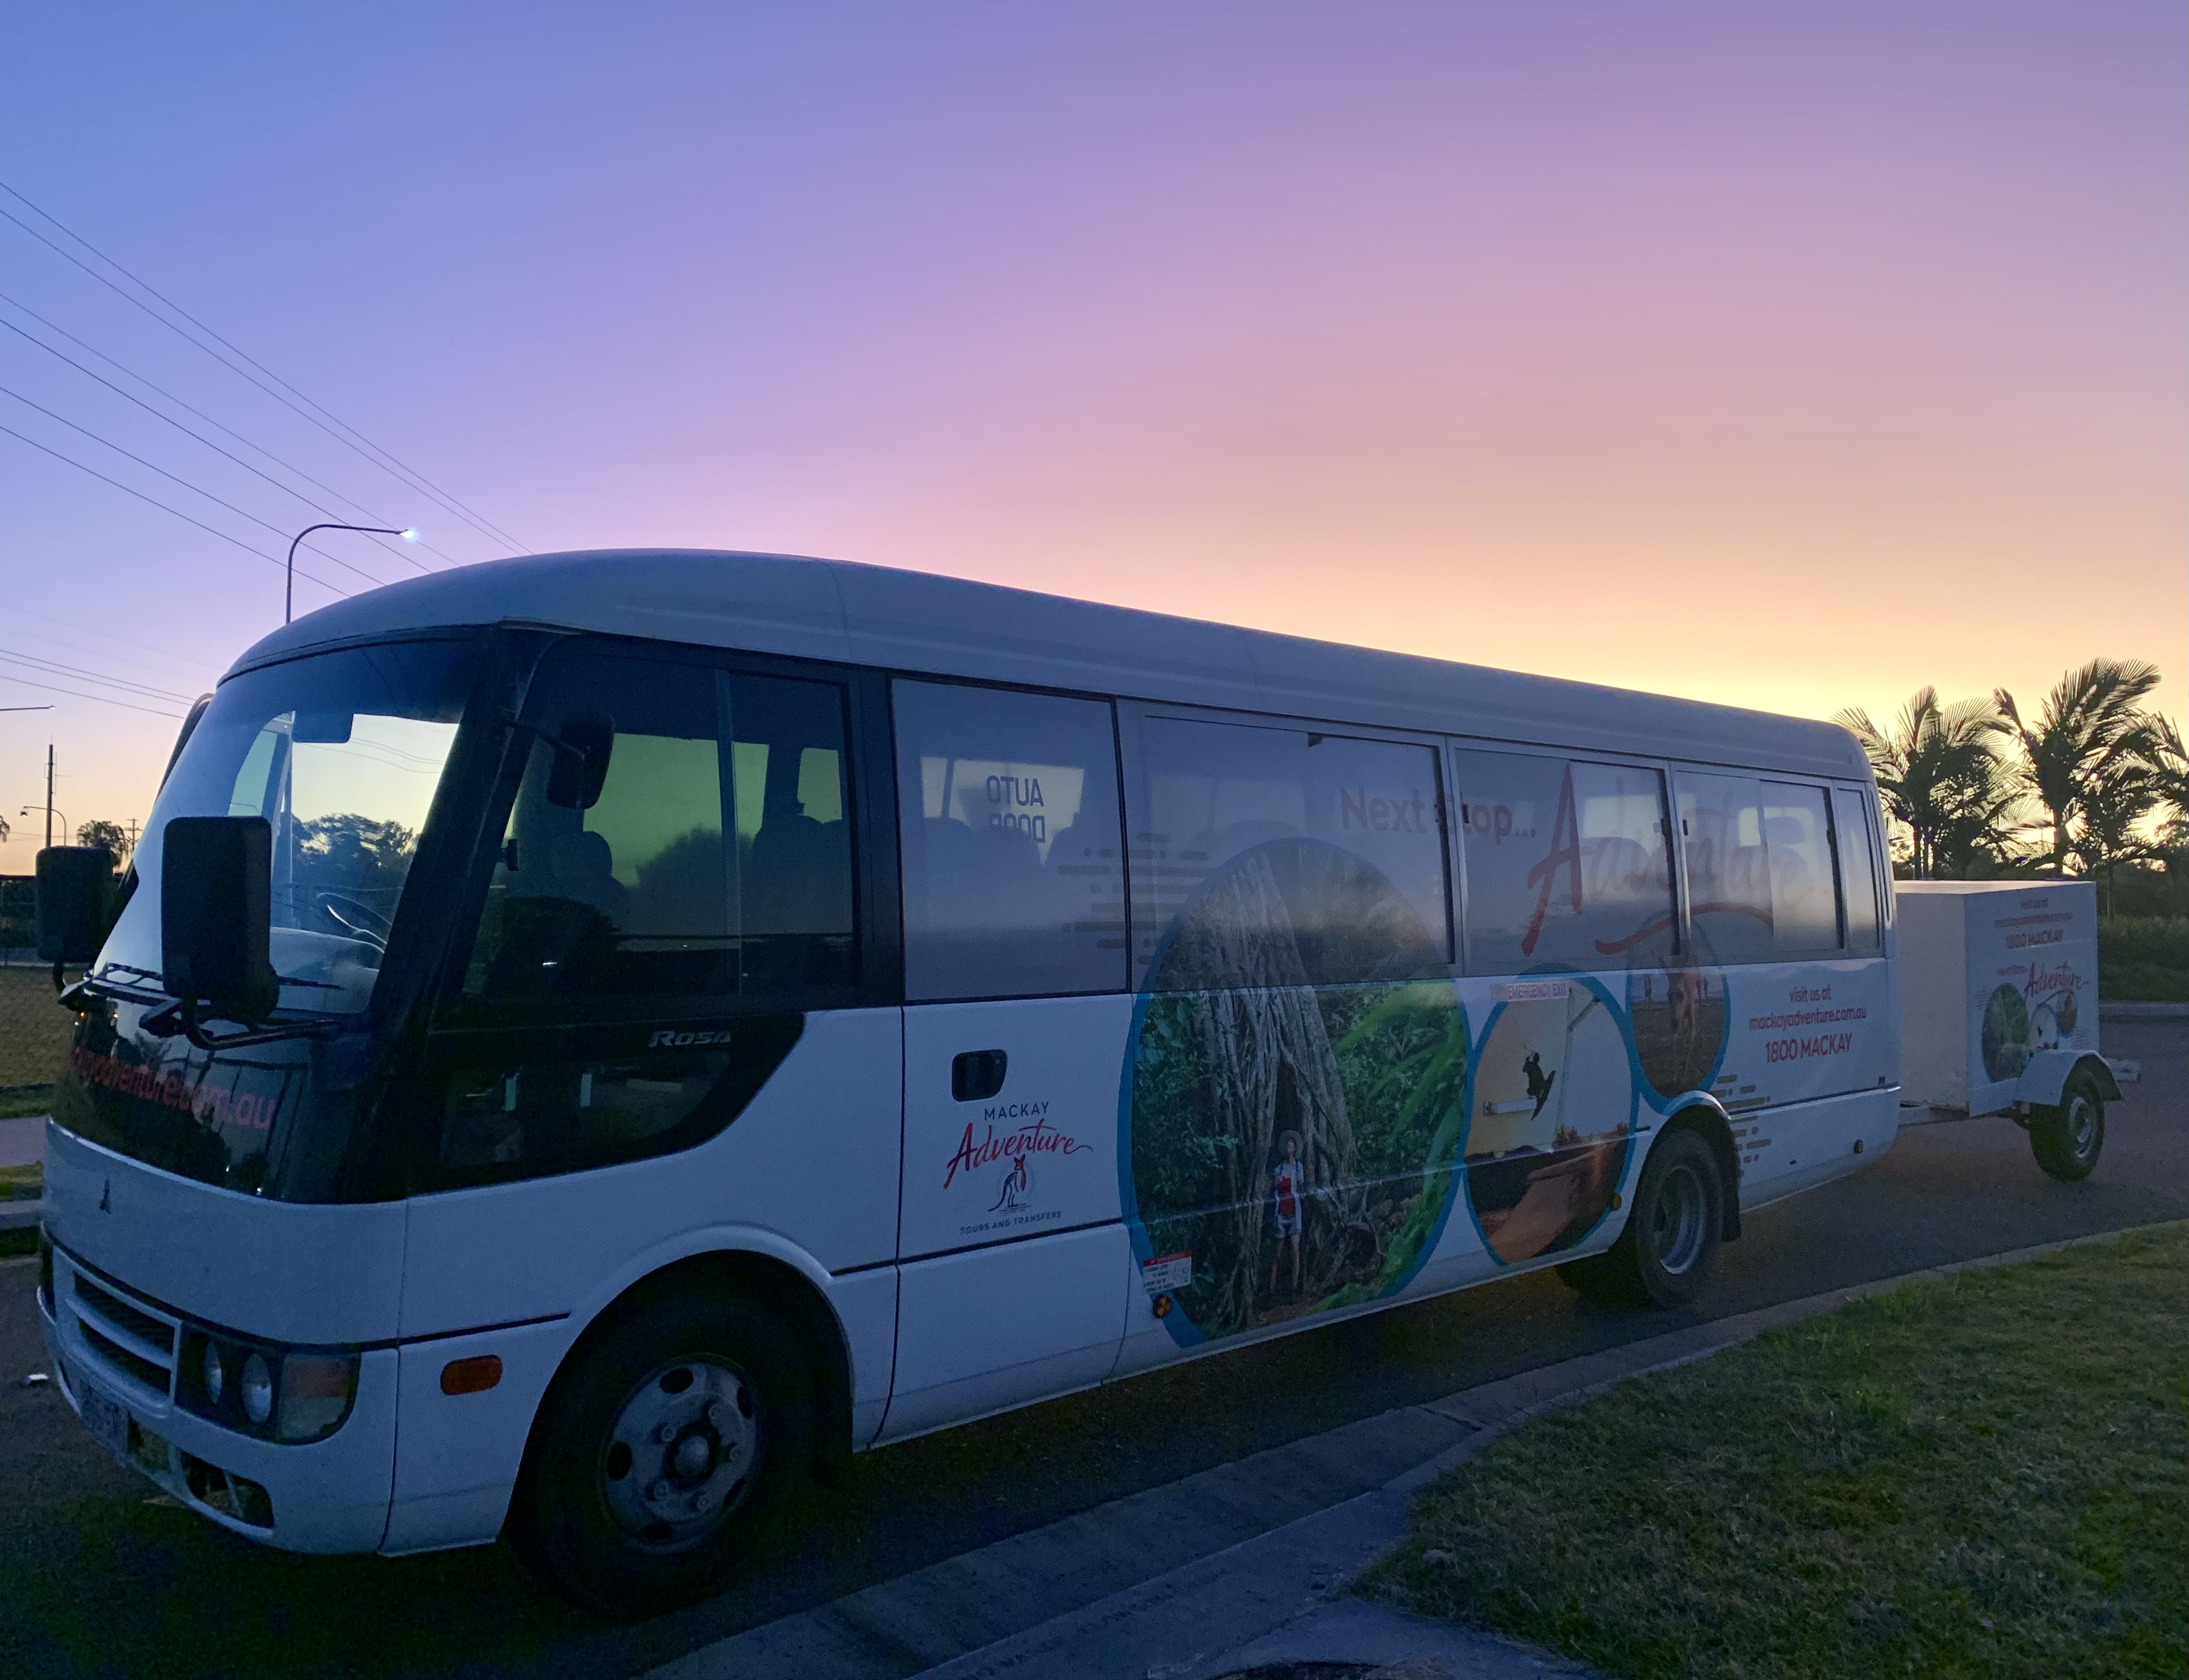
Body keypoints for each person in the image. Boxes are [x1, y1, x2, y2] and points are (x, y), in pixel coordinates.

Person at [1267, 1131, 1305, 1298]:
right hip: (1281, 1215)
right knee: (1277, 1254)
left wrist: (1299, 1180)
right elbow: (1274, 1187)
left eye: (1292, 1145)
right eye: (1288, 1145)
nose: (1290, 1147)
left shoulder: (1299, 1167)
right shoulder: (1279, 1169)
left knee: (1295, 1251)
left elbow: (1302, 1183)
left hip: (1294, 1214)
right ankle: (1271, 1291)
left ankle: (1295, 1289)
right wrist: (1275, 1184)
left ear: (1296, 1149)